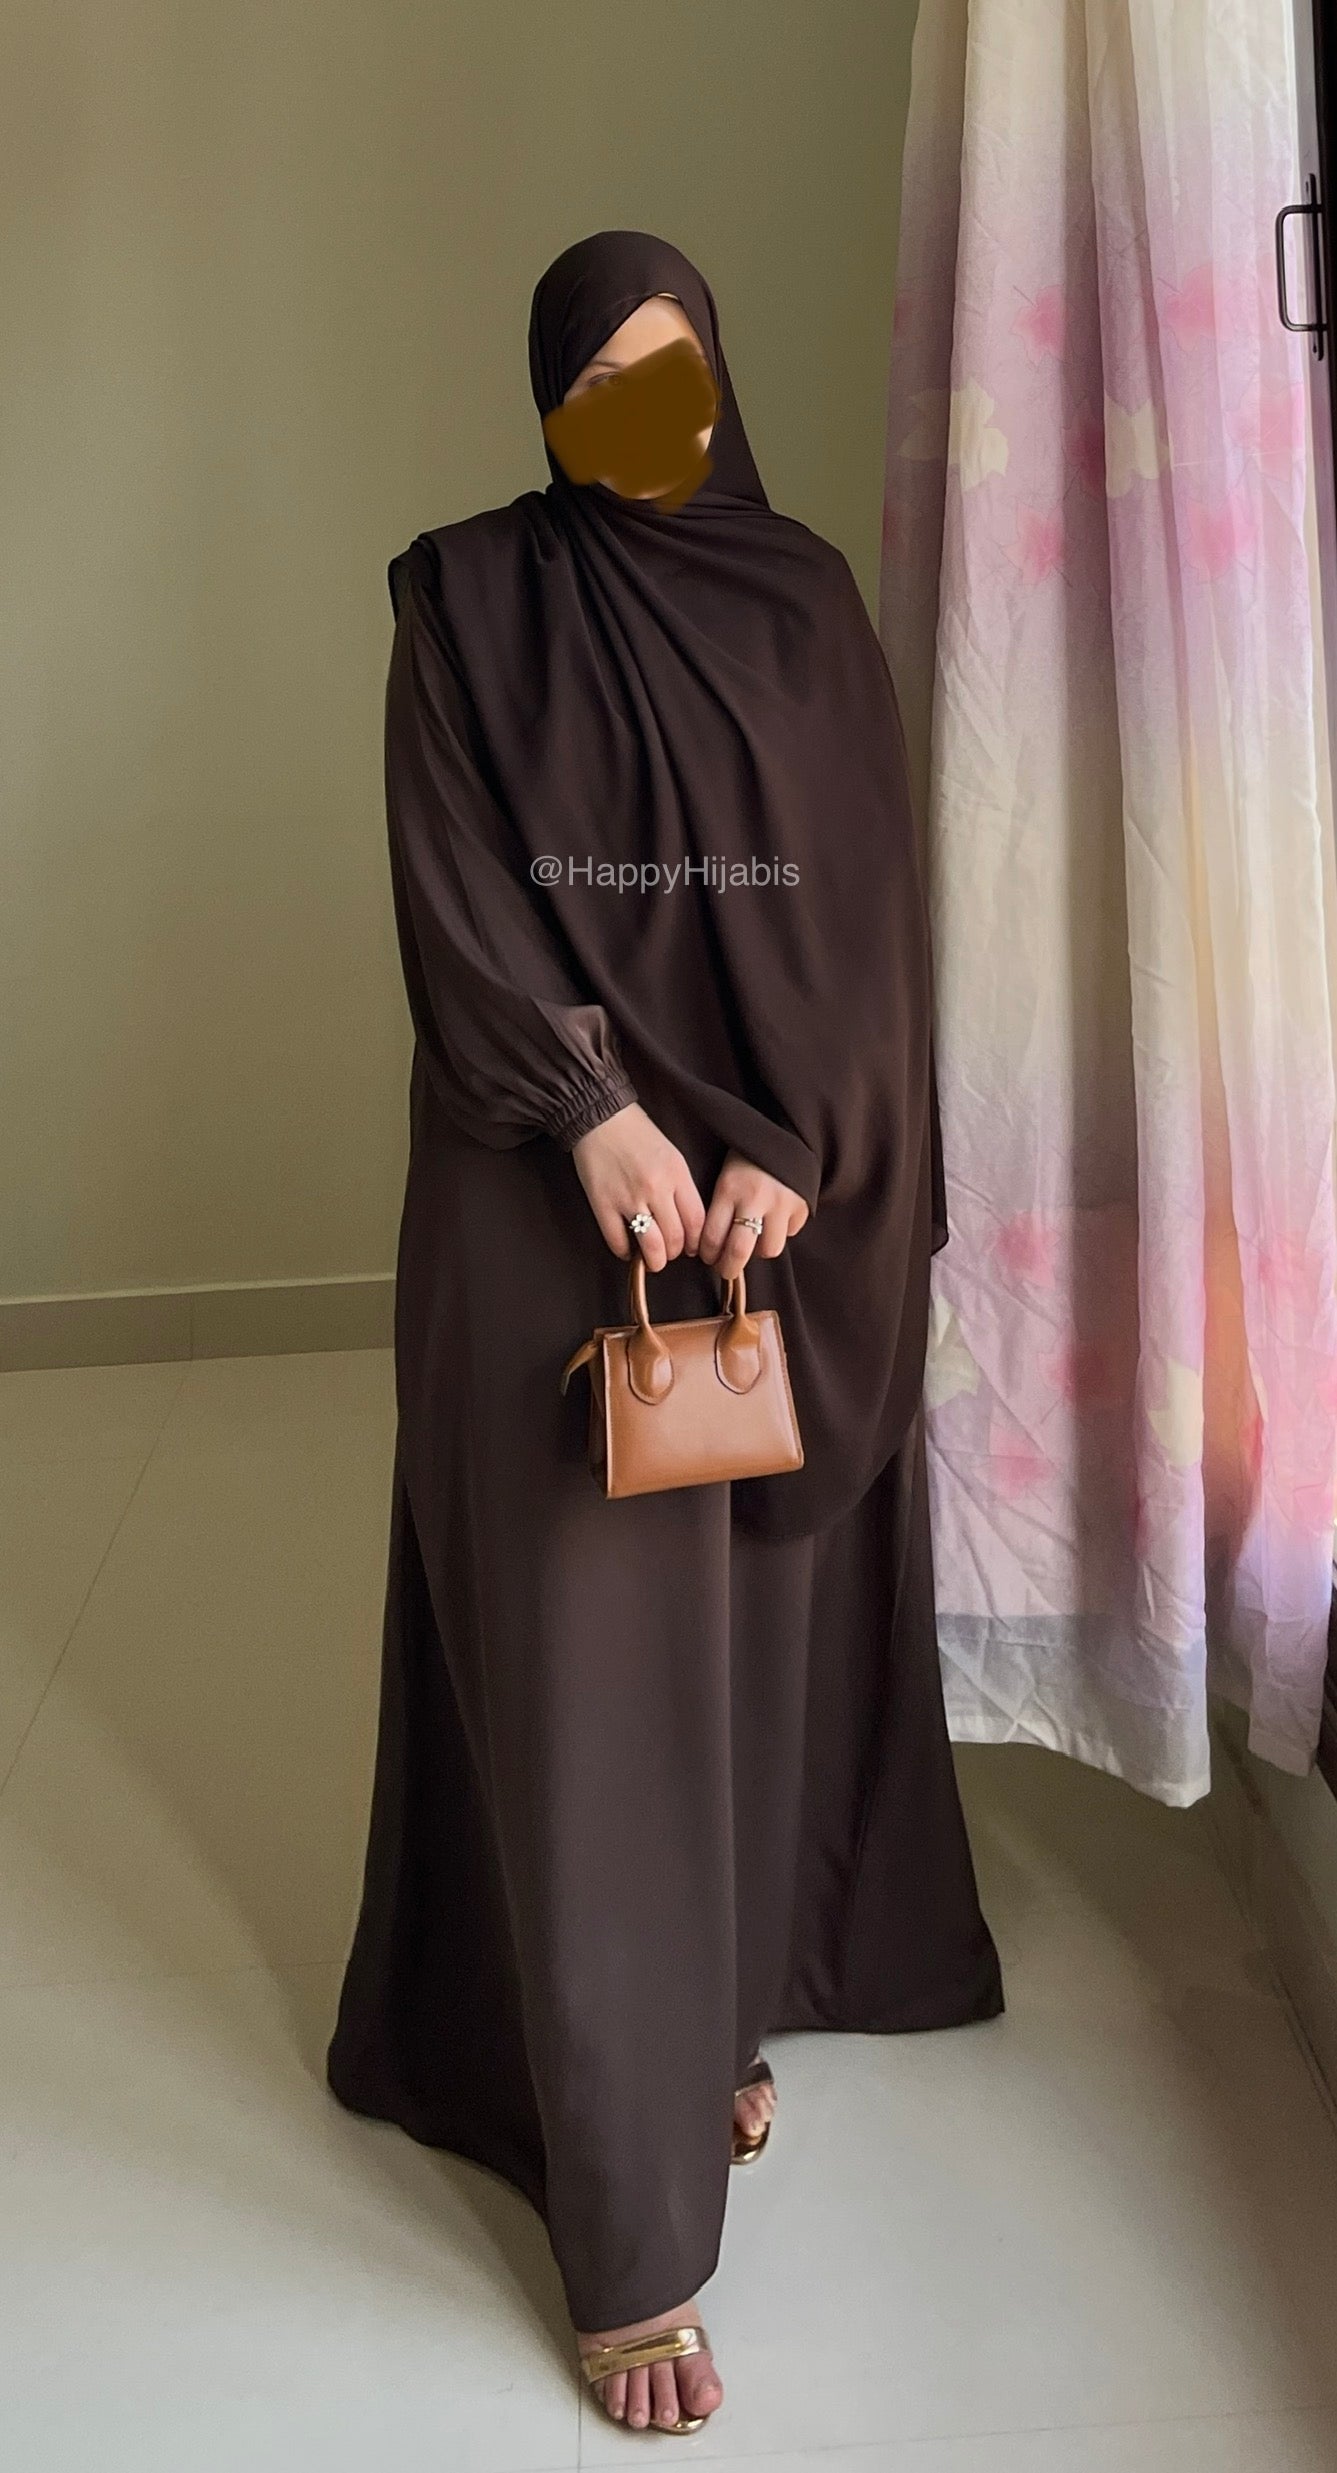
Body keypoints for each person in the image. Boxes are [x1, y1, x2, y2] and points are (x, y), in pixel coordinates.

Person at [325, 228, 1004, 2439]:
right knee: (591, 1684)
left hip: (763, 1204)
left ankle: (694, 2021)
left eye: (674, 371)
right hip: (550, 1184)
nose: (645, 416)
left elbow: (866, 918)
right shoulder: (469, 603)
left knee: (740, 1653)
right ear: (545, 406)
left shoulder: (804, 604)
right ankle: (627, 2243)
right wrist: (590, 1106)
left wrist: (803, 1147)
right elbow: (456, 897)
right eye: (598, 383)